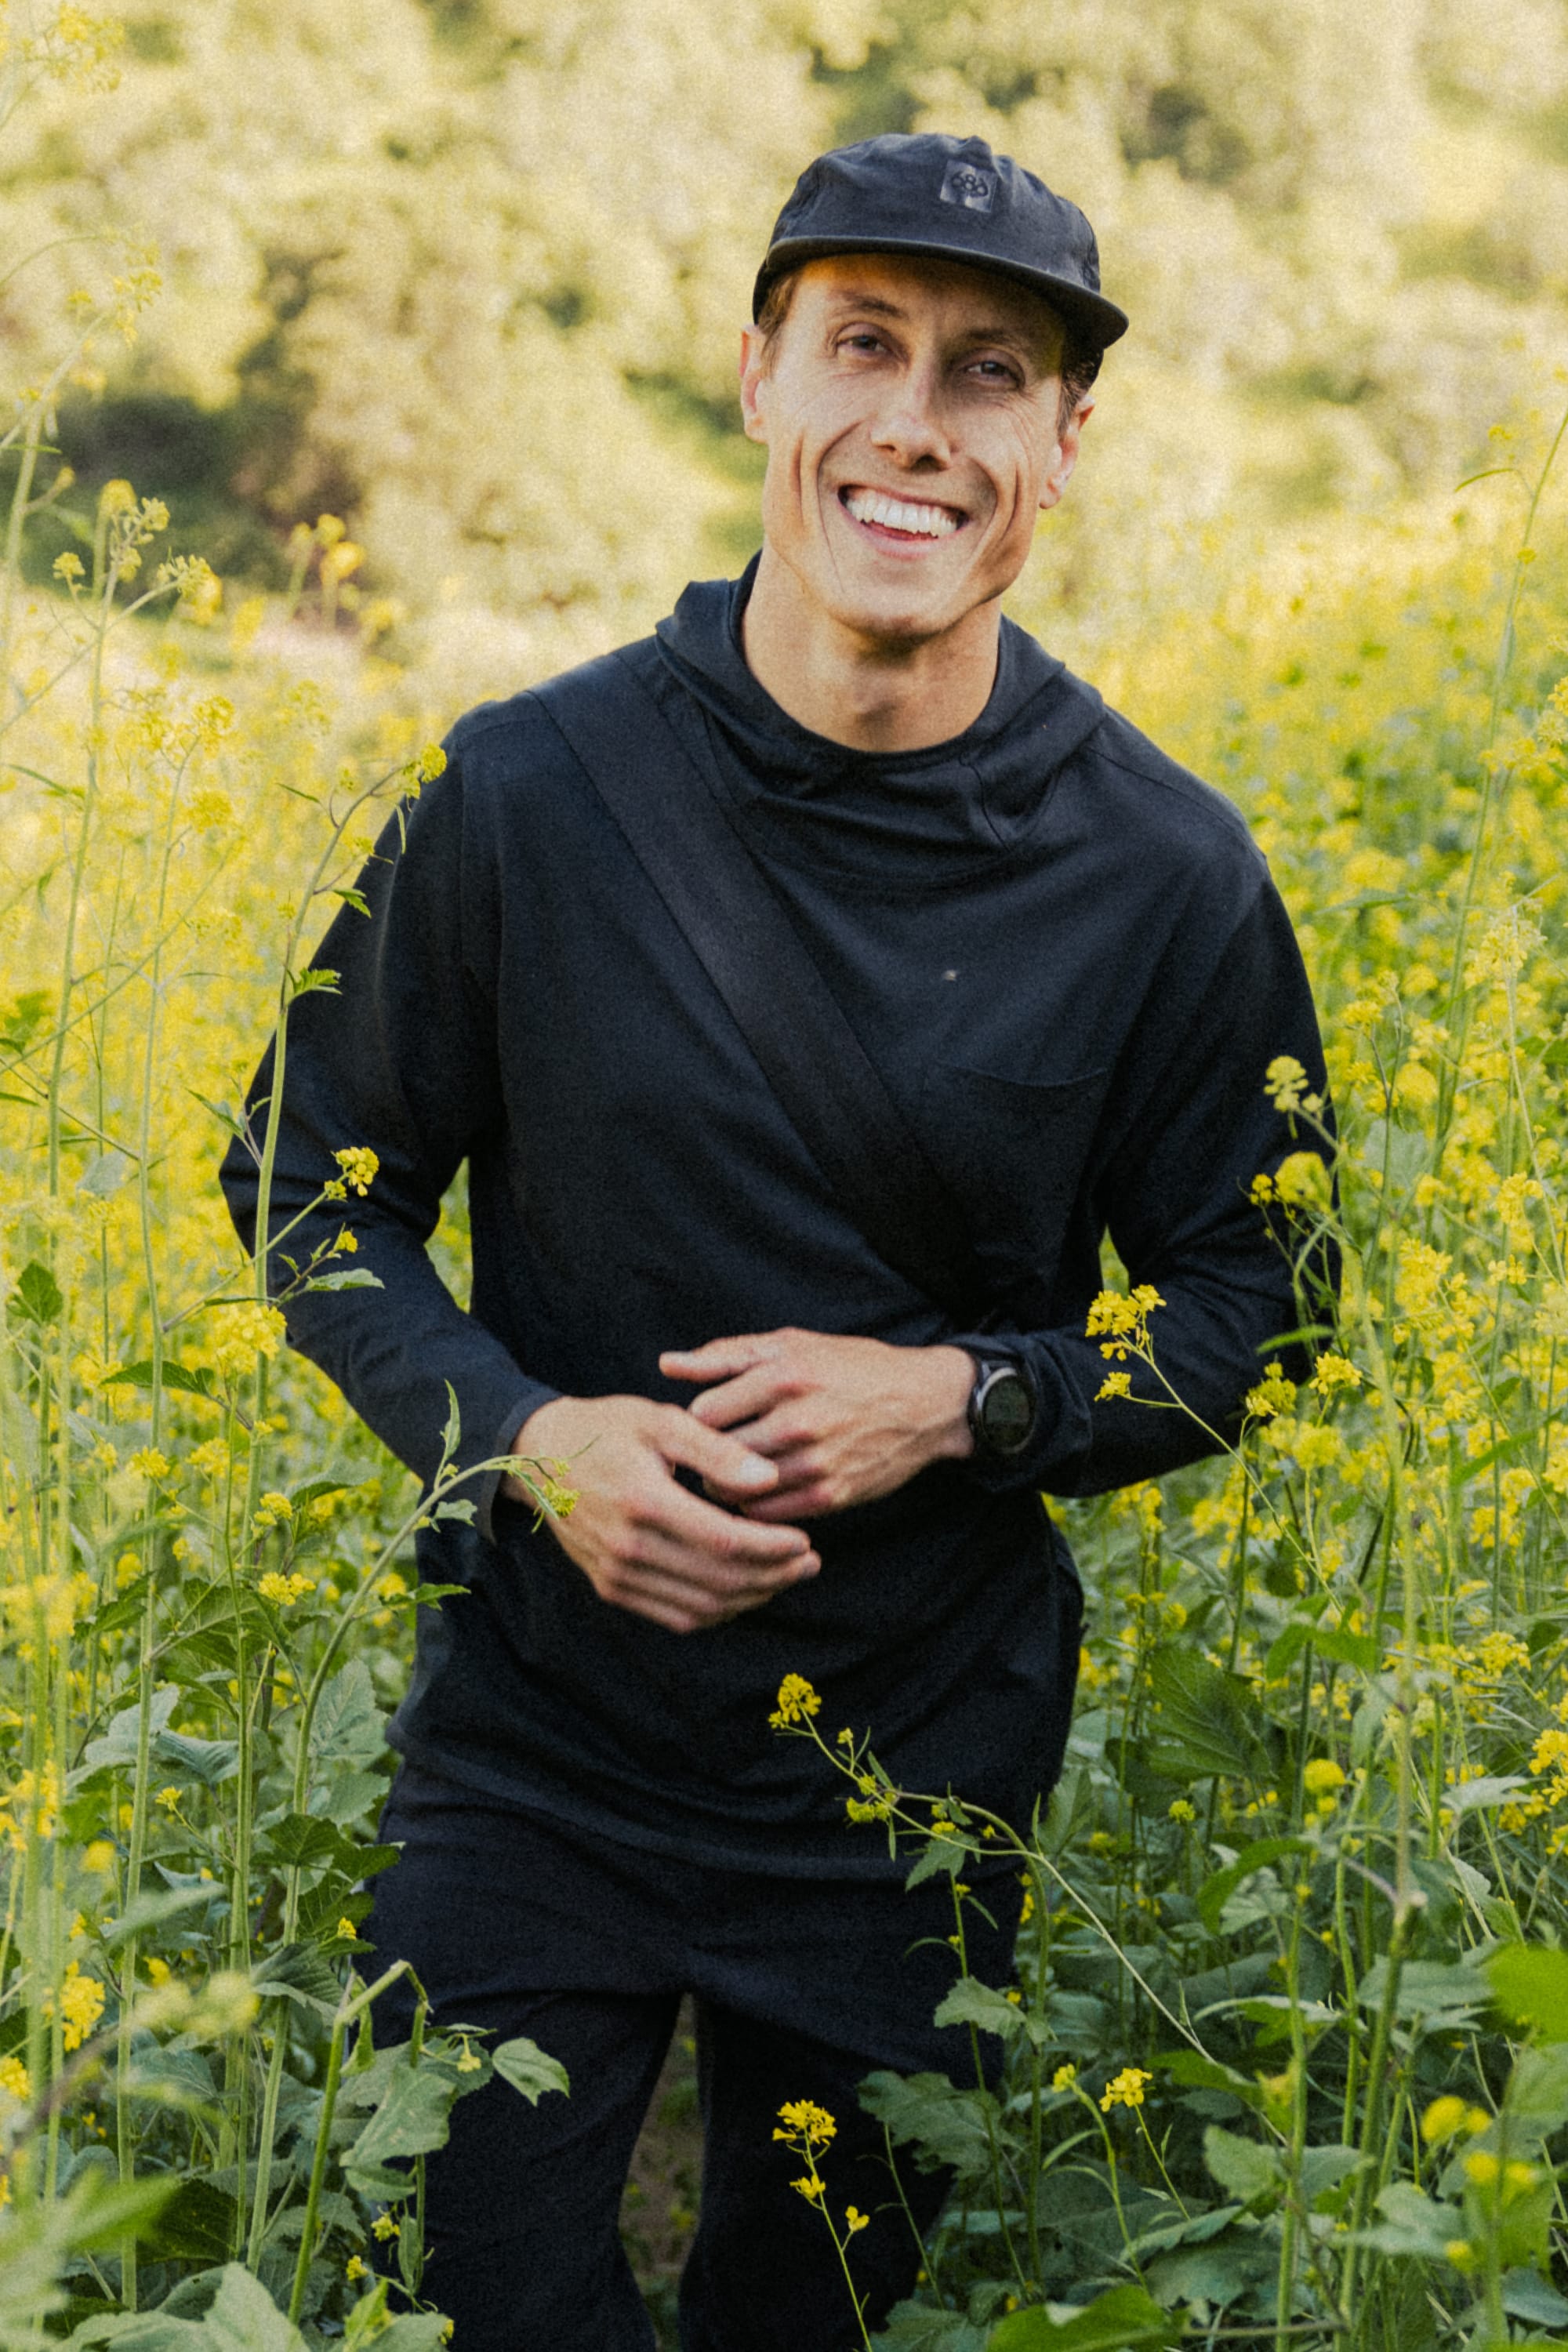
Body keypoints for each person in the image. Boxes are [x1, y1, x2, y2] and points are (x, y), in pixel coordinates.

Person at [222, 130, 1330, 2352]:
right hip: (537, 1743)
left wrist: (968, 1399)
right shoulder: (524, 796)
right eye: (864, 346)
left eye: (991, 373)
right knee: (475, 2307)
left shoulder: (1168, 877)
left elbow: (1265, 1302)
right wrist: (528, 1436)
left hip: (916, 1779)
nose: (916, 423)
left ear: (1065, 446)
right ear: (759, 379)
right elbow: (307, 1178)